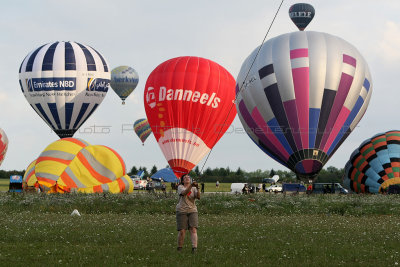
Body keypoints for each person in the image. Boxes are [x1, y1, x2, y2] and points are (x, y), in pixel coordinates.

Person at [176, 174, 200, 253]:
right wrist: (191, 186)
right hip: (181, 211)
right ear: (182, 181)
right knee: (182, 231)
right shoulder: (180, 187)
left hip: (192, 210)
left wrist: (197, 188)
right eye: (185, 177)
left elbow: (198, 197)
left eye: (188, 177)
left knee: (193, 229)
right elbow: (184, 193)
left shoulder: (194, 188)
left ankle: (194, 248)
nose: (187, 178)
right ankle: (179, 248)